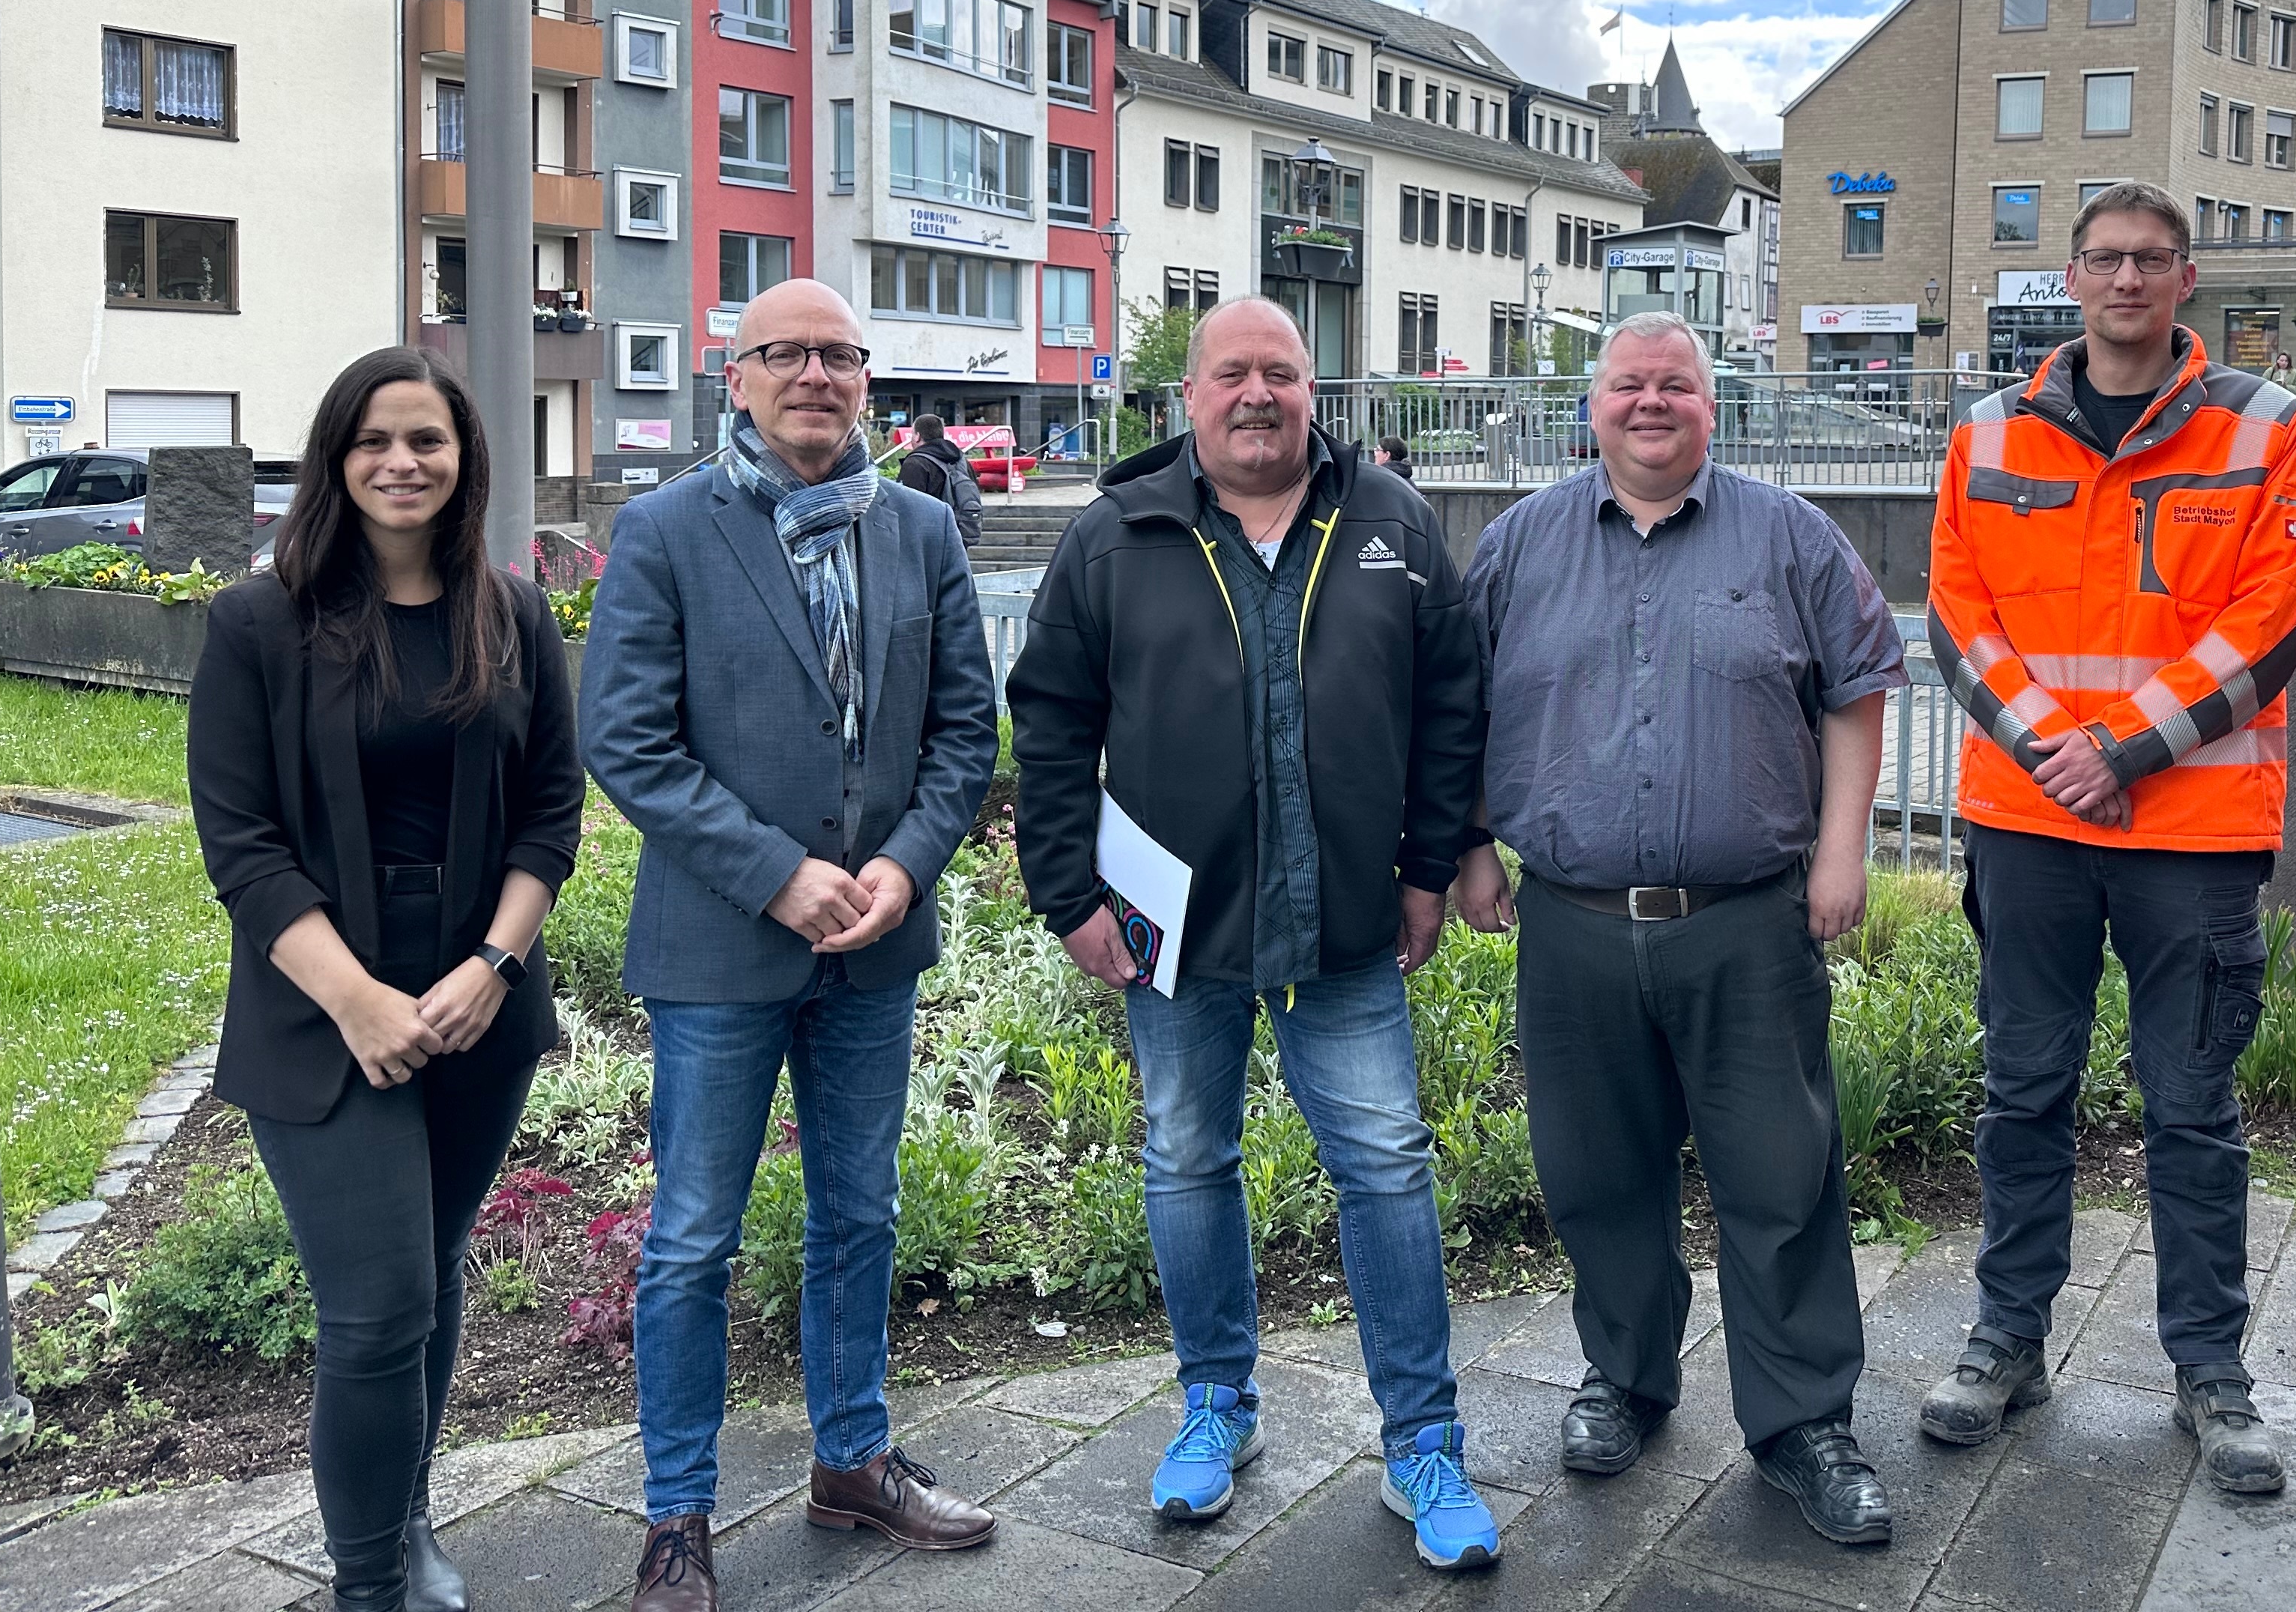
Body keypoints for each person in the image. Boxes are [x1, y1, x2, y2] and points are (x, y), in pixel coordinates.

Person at [1008, 297, 1503, 1572]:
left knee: (1387, 1162)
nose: (1257, 393)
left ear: (1310, 389)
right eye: (1231, 372)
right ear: (1189, 394)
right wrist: (1067, 892)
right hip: (1177, 921)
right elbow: (1053, 718)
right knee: (1185, 1155)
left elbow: (1452, 698)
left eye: (1279, 372)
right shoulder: (1117, 533)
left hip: (1344, 918)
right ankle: (1215, 1404)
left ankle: (1423, 1438)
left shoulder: (1389, 522)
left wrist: (1427, 864)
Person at [1455, 311, 1906, 1548]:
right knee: (1598, 1175)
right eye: (1627, 385)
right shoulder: (1517, 546)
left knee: (1782, 1175)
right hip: (1575, 926)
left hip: (1746, 924)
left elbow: (1859, 686)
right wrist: (1466, 841)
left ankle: (1804, 1418)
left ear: (1716, 406)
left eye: (1676, 385)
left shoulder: (1791, 537)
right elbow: (1460, 704)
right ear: (1589, 406)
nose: (1650, 403)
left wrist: (1841, 846)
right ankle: (1626, 1377)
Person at [582, 280, 1000, 1612]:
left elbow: (963, 733)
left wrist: (896, 864)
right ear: (738, 374)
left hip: (875, 938)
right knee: (693, 1236)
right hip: (719, 946)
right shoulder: (661, 530)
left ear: (865, 379)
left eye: (838, 353)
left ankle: (851, 1455)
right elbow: (628, 739)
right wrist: (778, 875)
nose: (815, 371)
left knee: (859, 1212)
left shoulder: (923, 528)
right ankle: (676, 1515)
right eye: (787, 352)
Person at [1918, 181, 2296, 1497]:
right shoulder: (1986, 432)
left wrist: (2122, 745)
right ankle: (2007, 1337)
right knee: (2021, 1090)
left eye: (2151, 259)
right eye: (2106, 258)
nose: (2128, 279)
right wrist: (2055, 743)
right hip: (2030, 822)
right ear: (2073, 277)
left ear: (2185, 277)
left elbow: (2269, 622)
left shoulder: (2267, 428)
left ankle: (2210, 1369)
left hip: (2191, 831)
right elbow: (1956, 610)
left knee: (2193, 1107)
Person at [189, 348, 584, 1612]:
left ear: (465, 455)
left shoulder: (512, 612)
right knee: (376, 1304)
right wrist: (355, 996)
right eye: (373, 439)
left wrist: (493, 962)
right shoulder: (258, 621)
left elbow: (551, 812)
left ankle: (407, 1518)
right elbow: (239, 843)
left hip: (479, 996)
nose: (401, 460)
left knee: (434, 1258)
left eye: (426, 437)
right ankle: (369, 1583)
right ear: (334, 458)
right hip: (322, 1005)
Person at [894, 413, 984, 547]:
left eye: (912, 434)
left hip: (928, 542)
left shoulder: (916, 463)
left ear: (918, 436)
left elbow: (906, 508)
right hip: (958, 535)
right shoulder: (961, 460)